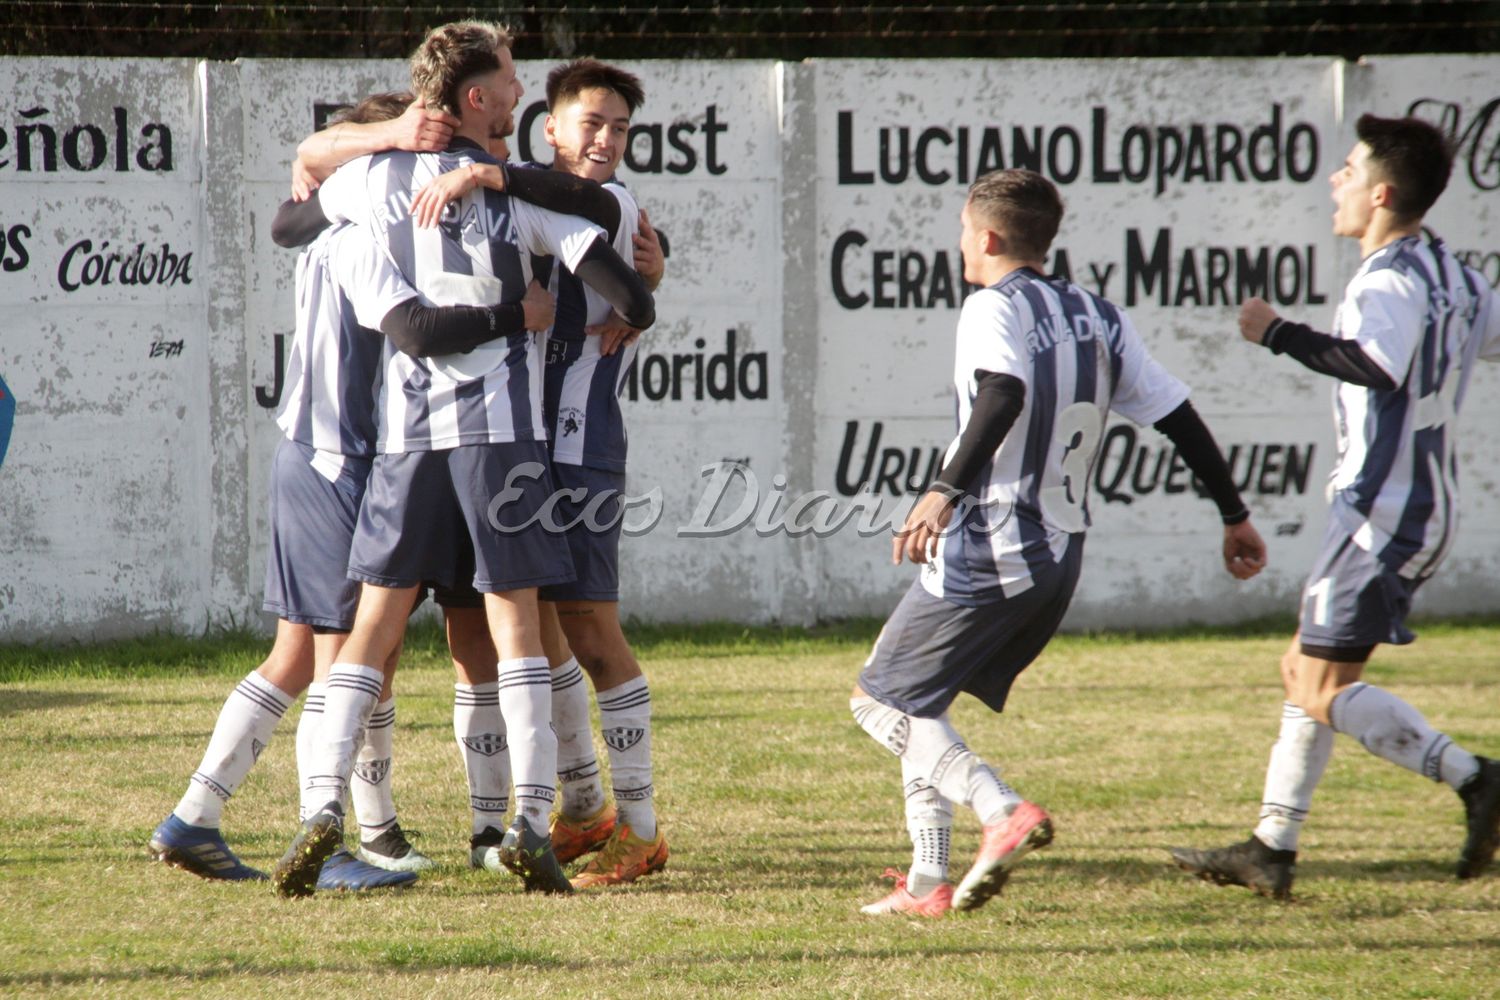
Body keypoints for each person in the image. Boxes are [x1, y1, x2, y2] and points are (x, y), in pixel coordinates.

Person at [269, 20, 654, 898]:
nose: (522, 93)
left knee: (373, 629)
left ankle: (321, 810)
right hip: (501, 439)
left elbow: (291, 224)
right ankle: (525, 817)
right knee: (516, 627)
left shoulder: (368, 182)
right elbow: (629, 293)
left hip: (407, 445)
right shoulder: (527, 199)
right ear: (476, 98)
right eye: (511, 82)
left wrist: (329, 154)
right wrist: (619, 291)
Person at [148, 93, 555, 891]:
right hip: (340, 459)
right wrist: (519, 314)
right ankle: (334, 844)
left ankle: (197, 817)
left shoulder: (336, 222)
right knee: (341, 659)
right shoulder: (369, 228)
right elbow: (418, 334)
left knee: (304, 653)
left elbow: (301, 184)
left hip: (317, 456)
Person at [851, 168, 1268, 918]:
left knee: (879, 701)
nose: (960, 247)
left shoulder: (989, 306)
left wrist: (942, 490)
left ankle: (1000, 809)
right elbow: (1177, 415)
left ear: (985, 237)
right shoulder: (1099, 315)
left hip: (992, 542)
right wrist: (1233, 512)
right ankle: (926, 883)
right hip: (1058, 555)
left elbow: (1002, 393)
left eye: (961, 234)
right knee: (922, 701)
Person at [1171, 114, 1500, 900]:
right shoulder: (1452, 273)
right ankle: (1270, 847)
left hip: (1378, 512)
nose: (1336, 180)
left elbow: (1377, 365)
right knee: (1303, 671)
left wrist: (1276, 332)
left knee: (1318, 687)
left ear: (1381, 192)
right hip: (1413, 502)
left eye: (1348, 169)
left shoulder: (1387, 277)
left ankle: (1476, 778)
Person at [416, 58, 670, 888]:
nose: (605, 140)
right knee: (548, 639)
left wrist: (644, 289)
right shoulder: (524, 198)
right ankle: (586, 809)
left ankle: (643, 830)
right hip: (524, 446)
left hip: (581, 449)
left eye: (620, 128)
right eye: (589, 123)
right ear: (550, 126)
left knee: (594, 636)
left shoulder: (606, 204)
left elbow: (626, 271)